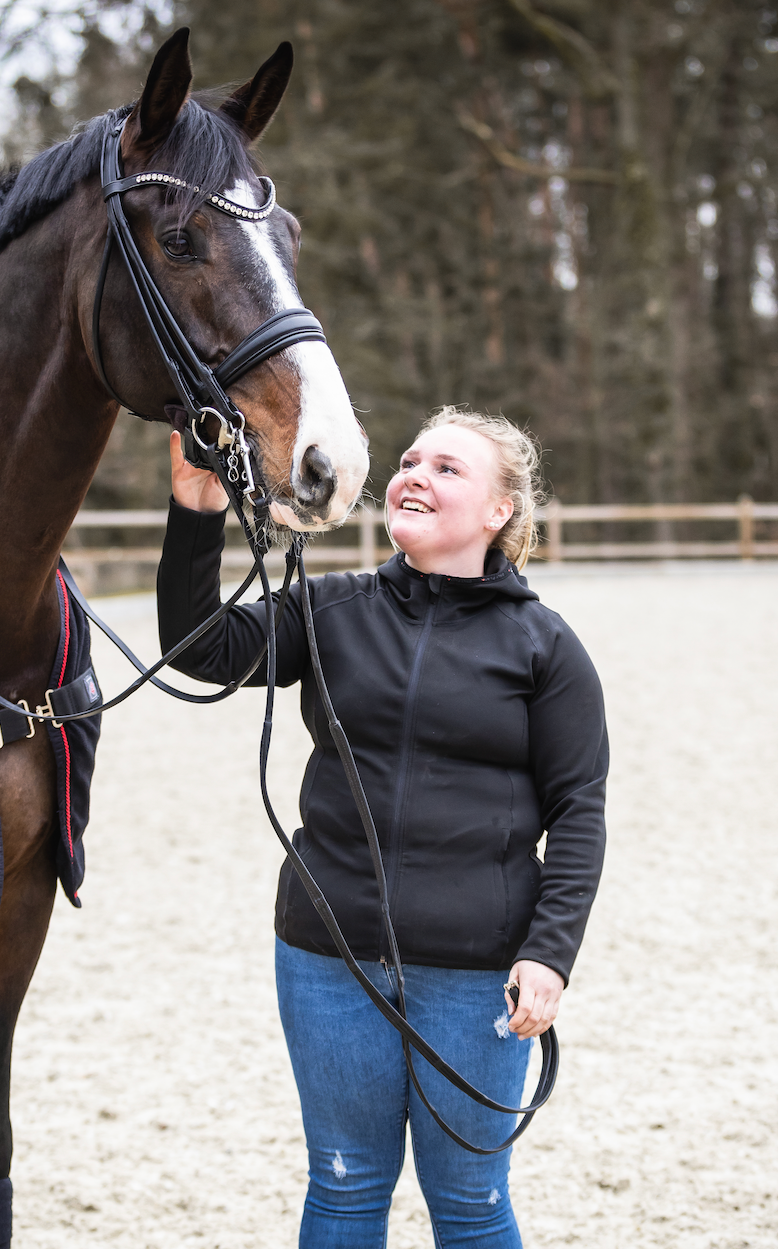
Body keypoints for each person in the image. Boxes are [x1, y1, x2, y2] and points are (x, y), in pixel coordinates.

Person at [157, 406, 608, 1247]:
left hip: (478, 976)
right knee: (343, 1188)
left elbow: (580, 812)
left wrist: (550, 953)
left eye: (447, 469)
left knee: (471, 1204)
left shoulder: (546, 648)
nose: (415, 475)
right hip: (329, 959)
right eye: (410, 460)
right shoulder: (328, 610)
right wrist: (195, 512)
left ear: (499, 512)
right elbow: (197, 649)